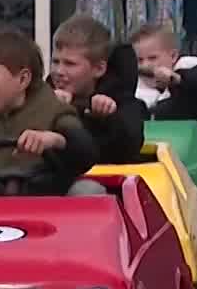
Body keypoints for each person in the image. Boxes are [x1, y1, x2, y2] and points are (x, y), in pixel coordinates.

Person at [0, 27, 98, 197]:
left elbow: (86, 155)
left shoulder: (55, 113)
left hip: (49, 214)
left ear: (22, 80)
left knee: (88, 190)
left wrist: (56, 141)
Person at [49, 14, 146, 183]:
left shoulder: (124, 103)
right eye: (55, 62)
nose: (59, 71)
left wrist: (106, 118)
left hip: (108, 192)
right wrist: (49, 109)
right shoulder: (42, 96)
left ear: (99, 69)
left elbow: (129, 147)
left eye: (69, 64)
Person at [131, 20, 197, 125]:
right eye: (139, 60)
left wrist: (176, 79)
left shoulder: (188, 65)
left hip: (196, 135)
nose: (145, 65)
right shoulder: (134, 88)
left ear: (173, 56)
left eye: (152, 58)